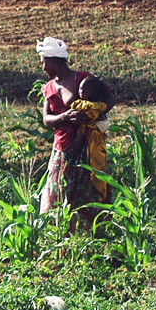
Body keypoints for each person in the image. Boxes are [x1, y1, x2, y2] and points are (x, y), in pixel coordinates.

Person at [37, 37, 115, 227]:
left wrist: (95, 110)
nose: (42, 67)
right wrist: (65, 117)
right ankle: (61, 234)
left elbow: (110, 97)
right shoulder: (49, 88)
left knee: (88, 189)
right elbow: (46, 120)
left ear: (54, 60)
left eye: (43, 61)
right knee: (58, 191)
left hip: (89, 146)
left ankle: (92, 231)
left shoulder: (84, 79)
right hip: (63, 147)